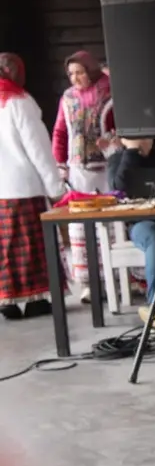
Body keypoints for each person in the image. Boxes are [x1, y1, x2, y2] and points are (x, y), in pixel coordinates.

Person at [0, 52, 66, 320]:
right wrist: (56, 188)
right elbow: (38, 148)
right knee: (29, 248)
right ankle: (36, 299)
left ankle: (7, 300)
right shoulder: (20, 101)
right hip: (23, 188)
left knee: (5, 249)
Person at [51, 50, 115, 303]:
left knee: (110, 226)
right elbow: (60, 131)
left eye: (80, 72)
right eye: (71, 74)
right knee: (80, 226)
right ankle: (89, 283)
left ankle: (117, 280)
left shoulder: (110, 92)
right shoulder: (68, 98)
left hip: (107, 169)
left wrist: (111, 142)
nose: (75, 78)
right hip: (78, 171)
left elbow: (119, 126)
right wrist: (59, 163)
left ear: (91, 70)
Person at [110, 137, 155, 327]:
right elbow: (117, 190)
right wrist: (131, 153)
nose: (142, 141)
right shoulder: (119, 159)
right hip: (141, 224)